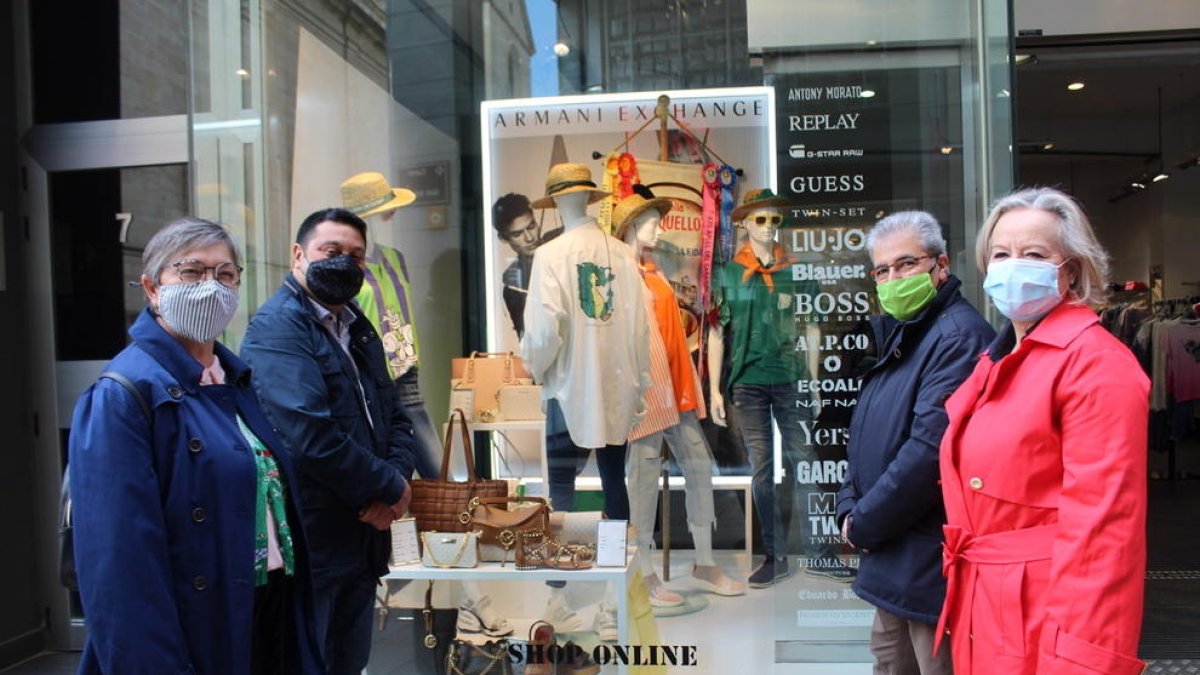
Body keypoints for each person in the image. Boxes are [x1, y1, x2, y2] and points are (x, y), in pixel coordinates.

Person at [69, 218, 322, 674]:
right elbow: (120, 563)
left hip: (261, 609)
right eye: (192, 272)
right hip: (190, 629)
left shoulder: (234, 379)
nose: (212, 288)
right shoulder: (124, 393)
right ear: (151, 287)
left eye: (226, 275)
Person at [937, 187, 1149, 675]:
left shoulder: (1095, 365)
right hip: (987, 606)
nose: (1013, 266)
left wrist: (1083, 661)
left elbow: (1104, 539)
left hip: (1043, 616)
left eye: (1033, 254)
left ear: (1070, 271)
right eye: (1001, 254)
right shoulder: (999, 358)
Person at [241, 207, 417, 675]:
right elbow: (308, 434)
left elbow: (394, 412)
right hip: (313, 536)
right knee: (308, 661)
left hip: (363, 535)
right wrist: (387, 488)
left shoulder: (357, 325)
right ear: (299, 255)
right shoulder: (278, 326)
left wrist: (393, 485)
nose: (344, 263)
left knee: (349, 661)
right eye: (331, 251)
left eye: (356, 256)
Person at [836, 211, 993, 675]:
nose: (892, 279)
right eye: (882, 271)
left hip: (928, 564)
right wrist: (848, 502)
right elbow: (866, 433)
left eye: (905, 264)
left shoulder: (957, 336)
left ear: (940, 265)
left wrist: (860, 523)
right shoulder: (906, 334)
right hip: (894, 557)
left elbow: (927, 455)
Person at [617, 186, 747, 605]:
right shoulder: (621, 277)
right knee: (642, 480)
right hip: (645, 396)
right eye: (651, 221)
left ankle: (705, 560)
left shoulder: (653, 273)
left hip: (675, 389)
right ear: (632, 226)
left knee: (698, 466)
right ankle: (644, 572)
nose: (659, 226)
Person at [707, 188, 820, 588]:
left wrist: (816, 380)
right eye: (760, 219)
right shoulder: (729, 273)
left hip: (790, 378)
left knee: (803, 462)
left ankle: (818, 551)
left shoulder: (795, 269)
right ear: (743, 223)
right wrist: (715, 391)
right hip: (749, 382)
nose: (769, 227)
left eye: (775, 219)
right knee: (762, 468)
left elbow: (811, 325)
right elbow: (717, 332)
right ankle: (775, 555)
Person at [339, 171, 442, 481]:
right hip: (365, 370)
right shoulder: (345, 267)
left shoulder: (395, 258)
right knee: (383, 454)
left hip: (404, 365)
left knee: (432, 461)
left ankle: (449, 515)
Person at [493, 192, 563, 338]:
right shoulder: (513, 284)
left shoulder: (561, 239)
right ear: (503, 239)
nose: (530, 238)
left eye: (531, 226)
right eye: (517, 234)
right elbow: (528, 340)